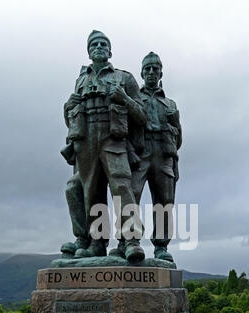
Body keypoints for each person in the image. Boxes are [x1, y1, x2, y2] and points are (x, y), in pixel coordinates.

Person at [61, 30, 147, 262]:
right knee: (91, 192)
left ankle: (130, 240)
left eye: (103, 44)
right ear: (89, 51)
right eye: (94, 44)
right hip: (87, 141)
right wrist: (67, 107)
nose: (99, 47)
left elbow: (143, 116)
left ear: (110, 51)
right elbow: (71, 118)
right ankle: (97, 243)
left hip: (114, 139)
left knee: (121, 187)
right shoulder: (81, 80)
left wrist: (125, 99)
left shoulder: (124, 78)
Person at [111, 52, 182, 262]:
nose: (151, 72)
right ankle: (126, 241)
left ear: (161, 73)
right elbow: (122, 129)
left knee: (164, 202)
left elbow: (179, 137)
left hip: (164, 154)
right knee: (129, 196)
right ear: (142, 73)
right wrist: (130, 152)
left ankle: (161, 246)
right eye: (147, 69)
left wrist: (175, 123)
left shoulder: (170, 104)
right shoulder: (135, 98)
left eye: (155, 69)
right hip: (140, 153)